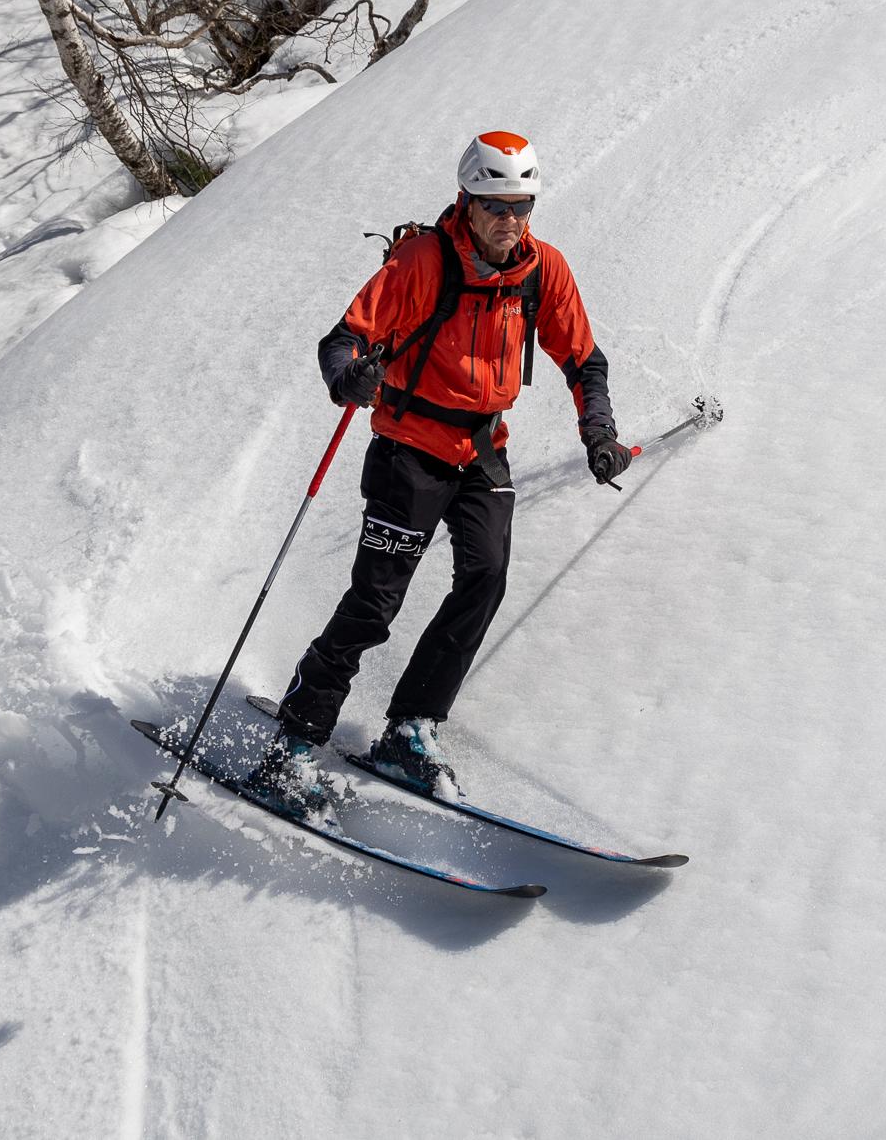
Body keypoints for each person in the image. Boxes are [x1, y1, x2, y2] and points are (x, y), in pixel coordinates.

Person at [247, 131, 633, 823]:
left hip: (483, 449)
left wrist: (598, 431)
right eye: (494, 204)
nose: (508, 219)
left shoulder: (543, 270)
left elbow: (584, 360)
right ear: (467, 200)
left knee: (485, 577)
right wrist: (351, 376)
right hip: (410, 447)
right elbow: (342, 340)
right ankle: (293, 747)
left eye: (521, 204)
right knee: (375, 604)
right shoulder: (423, 261)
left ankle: (410, 728)